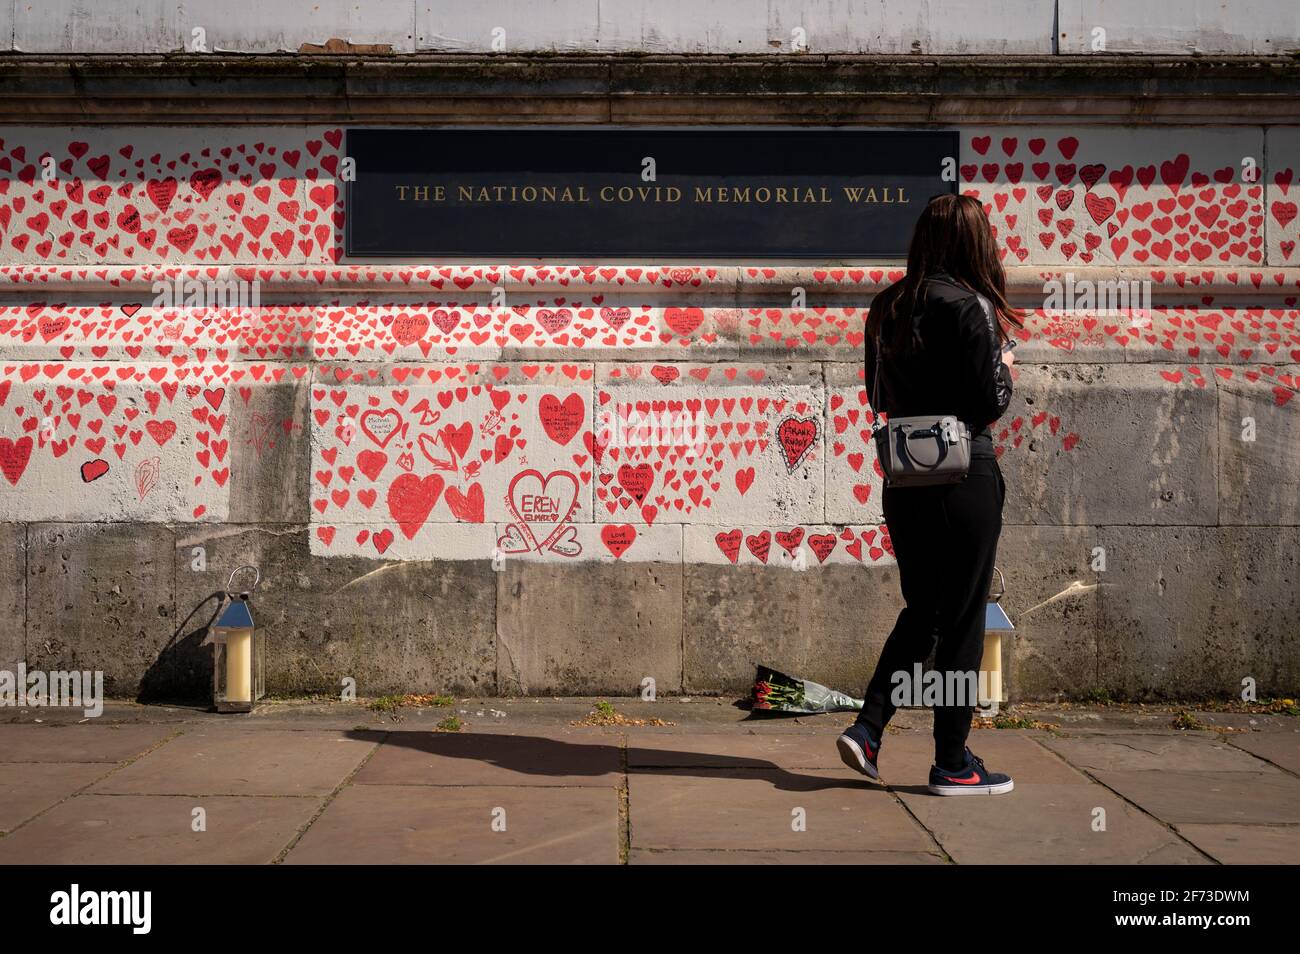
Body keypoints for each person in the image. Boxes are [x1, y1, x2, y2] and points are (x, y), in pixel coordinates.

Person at [837, 193, 1022, 796]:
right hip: (966, 477)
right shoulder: (972, 305)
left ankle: (868, 729)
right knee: (963, 618)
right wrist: (1005, 362)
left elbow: (875, 394)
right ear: (975, 244)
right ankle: (952, 762)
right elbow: (992, 401)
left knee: (924, 613)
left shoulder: (885, 307)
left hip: (905, 480)